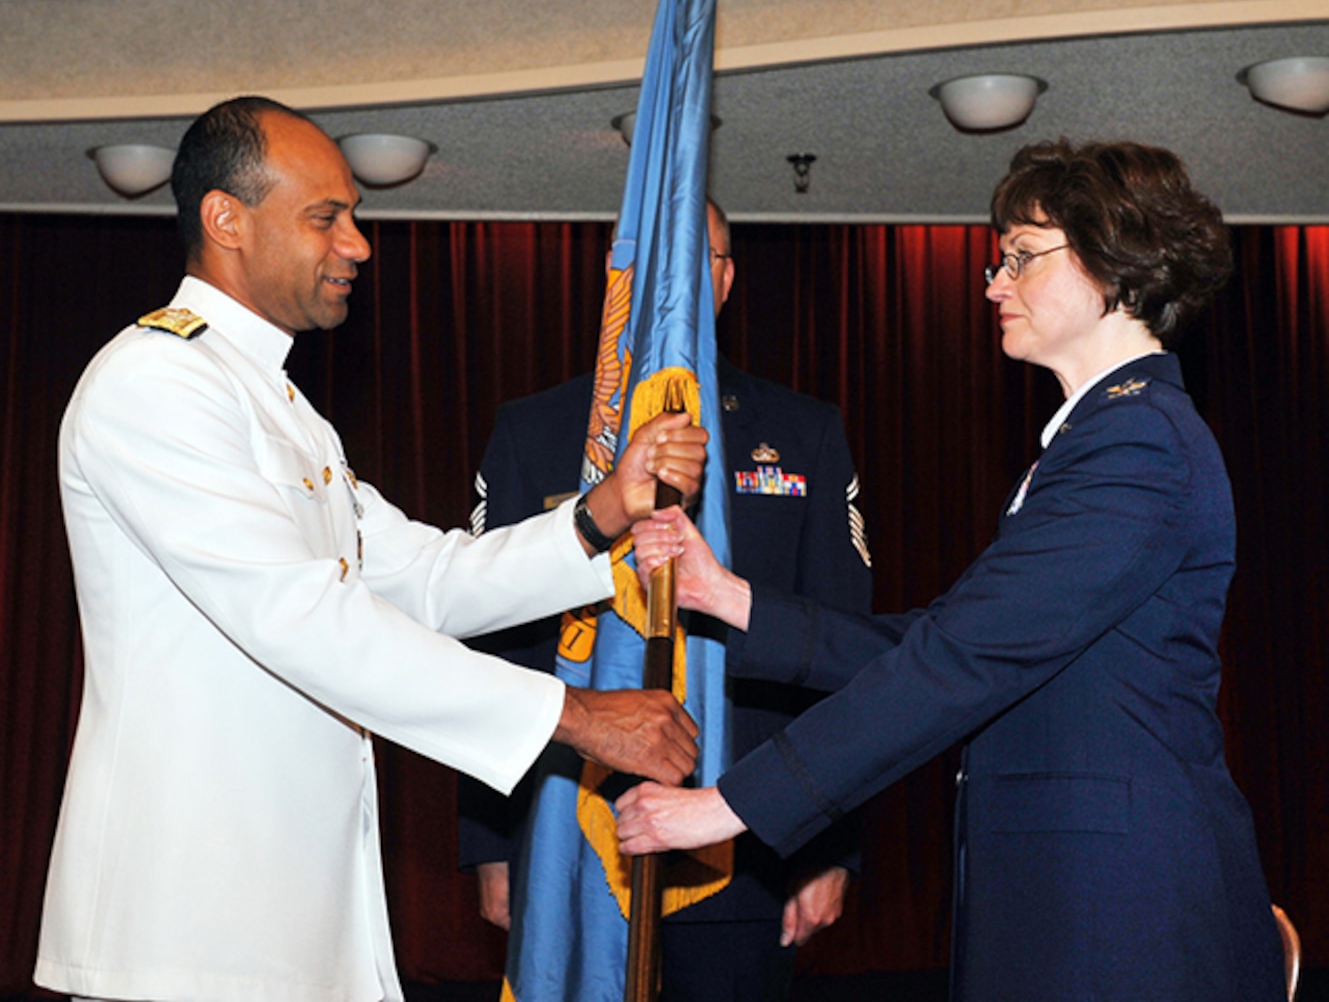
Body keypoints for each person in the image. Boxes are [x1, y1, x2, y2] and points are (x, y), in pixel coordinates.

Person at [35, 95, 708, 1002]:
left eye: (353, 216)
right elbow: (303, 617)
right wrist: (576, 717)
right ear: (225, 219)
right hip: (185, 931)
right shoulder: (155, 383)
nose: (356, 244)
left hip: (295, 925)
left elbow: (423, 579)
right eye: (326, 218)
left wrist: (601, 514)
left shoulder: (282, 408)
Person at [619, 141, 1287, 1001]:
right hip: (1073, 888)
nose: (991, 284)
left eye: (1019, 257)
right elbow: (947, 640)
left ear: (1113, 259)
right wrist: (729, 598)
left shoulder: (1137, 442)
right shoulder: (1099, 441)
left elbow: (961, 660)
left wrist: (728, 808)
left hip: (1116, 906)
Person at [458, 200, 872, 1000]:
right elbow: (493, 644)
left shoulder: (802, 432)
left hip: (750, 835)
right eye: (658, 266)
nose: (681, 284)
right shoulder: (534, 430)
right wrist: (490, 844)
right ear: (623, 284)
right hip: (565, 833)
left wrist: (829, 844)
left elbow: (840, 650)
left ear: (724, 280)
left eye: (702, 263)